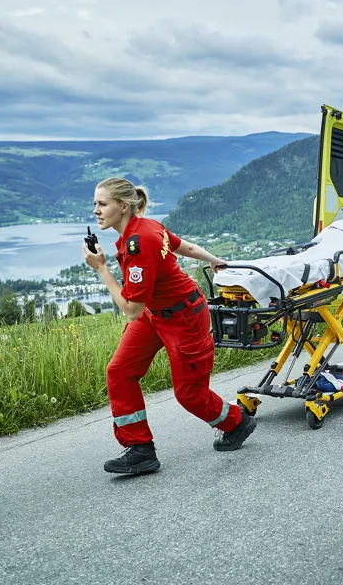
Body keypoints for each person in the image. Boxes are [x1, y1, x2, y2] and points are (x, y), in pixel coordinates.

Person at [83, 177, 256, 475]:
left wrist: (101, 268)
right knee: (120, 371)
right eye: (95, 204)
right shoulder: (145, 227)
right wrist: (213, 260)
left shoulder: (141, 241)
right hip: (155, 314)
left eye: (102, 204)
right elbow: (184, 247)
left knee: (189, 393)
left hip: (183, 318)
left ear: (123, 206)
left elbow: (130, 309)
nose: (96, 211)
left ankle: (237, 422)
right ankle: (140, 450)